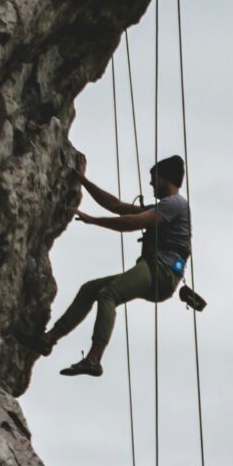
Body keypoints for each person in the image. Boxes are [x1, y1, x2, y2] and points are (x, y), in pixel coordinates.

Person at [44, 153, 195, 378]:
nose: (151, 183)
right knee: (90, 289)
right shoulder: (165, 206)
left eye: (154, 178)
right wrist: (82, 180)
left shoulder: (174, 205)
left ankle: (93, 360)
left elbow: (132, 223)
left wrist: (93, 220)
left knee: (108, 295)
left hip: (161, 271)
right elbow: (116, 206)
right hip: (156, 270)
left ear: (165, 178)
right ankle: (48, 339)